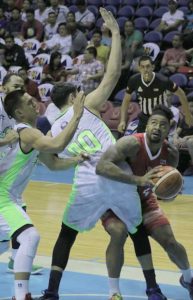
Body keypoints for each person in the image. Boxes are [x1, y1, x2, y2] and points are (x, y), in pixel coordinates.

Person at [38, 9, 148, 300]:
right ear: (73, 98)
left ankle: (51, 291)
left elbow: (50, 163)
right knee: (135, 229)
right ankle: (149, 288)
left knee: (67, 234)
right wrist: (113, 32)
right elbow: (113, 75)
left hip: (87, 181)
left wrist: (72, 161)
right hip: (117, 172)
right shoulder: (85, 106)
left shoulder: (51, 131)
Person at [96, 105, 193, 300]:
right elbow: (101, 167)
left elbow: (163, 193)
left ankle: (189, 279)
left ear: (170, 128)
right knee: (118, 232)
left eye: (163, 125)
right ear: (147, 125)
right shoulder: (130, 144)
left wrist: (170, 192)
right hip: (114, 201)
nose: (157, 128)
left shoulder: (171, 153)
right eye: (153, 123)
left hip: (144, 201)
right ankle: (114, 291)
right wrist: (138, 180)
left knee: (170, 242)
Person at [1, 89, 85, 300]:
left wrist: (76, 160)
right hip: (2, 198)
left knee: (3, 245)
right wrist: (76, 115)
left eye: (34, 99)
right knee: (30, 236)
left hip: (10, 198)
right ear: (19, 113)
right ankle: (21, 296)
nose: (35, 103)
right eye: (29, 102)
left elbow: (54, 164)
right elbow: (57, 144)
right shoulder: (26, 132)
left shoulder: (33, 133)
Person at [0, 73, 43, 275]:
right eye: (15, 85)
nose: (20, 89)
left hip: (6, 170)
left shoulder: (19, 113)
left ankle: (16, 258)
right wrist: (5, 141)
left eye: (22, 86)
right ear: (3, 88)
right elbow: (9, 138)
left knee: (18, 204)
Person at [118, 55, 193, 134]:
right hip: (144, 116)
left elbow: (181, 94)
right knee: (140, 142)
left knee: (157, 142)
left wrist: (188, 115)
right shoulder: (134, 80)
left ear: (152, 67)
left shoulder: (162, 80)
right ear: (139, 68)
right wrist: (122, 120)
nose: (145, 70)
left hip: (161, 116)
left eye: (148, 66)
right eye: (142, 67)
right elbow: (126, 101)